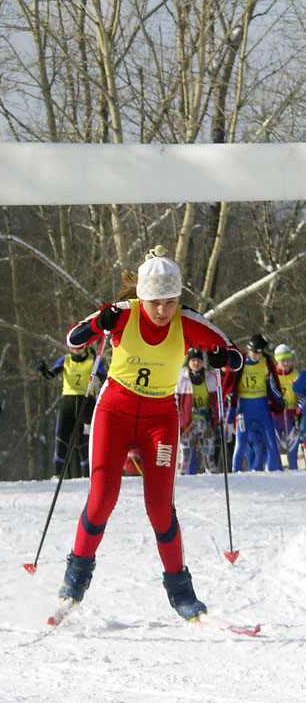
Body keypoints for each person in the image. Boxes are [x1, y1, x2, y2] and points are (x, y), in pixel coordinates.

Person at [56, 248, 242, 621]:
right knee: (102, 496)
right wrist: (98, 324)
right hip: (115, 412)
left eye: (170, 302)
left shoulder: (187, 322)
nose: (163, 311)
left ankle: (182, 594)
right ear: (142, 297)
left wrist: (223, 359)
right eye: (156, 303)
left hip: (160, 418)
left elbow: (235, 355)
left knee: (159, 508)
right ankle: (74, 582)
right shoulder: (123, 315)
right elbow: (73, 340)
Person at [36, 349, 103, 477]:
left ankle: (88, 475)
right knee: (61, 438)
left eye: (81, 345)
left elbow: (106, 377)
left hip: (87, 405)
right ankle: (58, 474)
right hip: (68, 404)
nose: (77, 349)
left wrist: (99, 381)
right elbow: (51, 375)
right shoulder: (65, 359)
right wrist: (43, 370)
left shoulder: (93, 360)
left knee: (85, 441)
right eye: (74, 346)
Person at [225, 334, 284, 473]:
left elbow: (272, 384)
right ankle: (236, 470)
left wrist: (279, 398)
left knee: (271, 440)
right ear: (249, 350)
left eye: (260, 353)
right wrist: (230, 396)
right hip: (245, 409)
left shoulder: (265, 363)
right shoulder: (241, 362)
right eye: (255, 353)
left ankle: (276, 469)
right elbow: (232, 382)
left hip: (262, 406)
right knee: (240, 442)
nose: (257, 356)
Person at [176, 349, 218, 474]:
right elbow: (175, 401)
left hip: (204, 420)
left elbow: (215, 400)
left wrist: (215, 417)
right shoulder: (181, 378)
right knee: (185, 454)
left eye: (199, 360)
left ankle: (213, 477)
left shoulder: (209, 377)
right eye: (193, 360)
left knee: (208, 453)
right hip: (187, 423)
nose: (196, 363)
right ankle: (180, 478)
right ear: (188, 362)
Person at [272, 344, 300, 470]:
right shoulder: (272, 375)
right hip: (276, 415)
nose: (286, 362)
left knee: (293, 447)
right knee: (274, 447)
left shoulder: (296, 374)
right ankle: (274, 471)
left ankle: (293, 469)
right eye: (283, 360)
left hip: (291, 414)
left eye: (288, 359)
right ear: (277, 360)